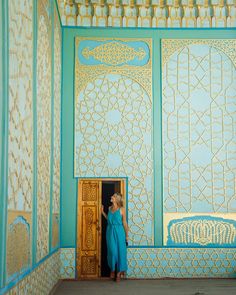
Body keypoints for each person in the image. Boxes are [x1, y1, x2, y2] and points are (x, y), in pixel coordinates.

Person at [101, 192, 128, 282]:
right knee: (112, 251)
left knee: (120, 252)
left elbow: (124, 222)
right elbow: (108, 219)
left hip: (120, 231)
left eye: (113, 196)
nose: (111, 197)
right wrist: (102, 212)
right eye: (112, 195)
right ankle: (112, 269)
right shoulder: (109, 208)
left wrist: (127, 235)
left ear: (117, 199)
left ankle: (118, 273)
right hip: (110, 231)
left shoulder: (122, 209)